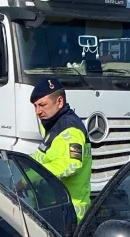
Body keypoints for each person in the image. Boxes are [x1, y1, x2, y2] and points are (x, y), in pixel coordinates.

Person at [29, 77, 92, 220]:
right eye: (35, 106)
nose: (38, 111)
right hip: (55, 210)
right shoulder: (54, 125)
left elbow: (70, 165)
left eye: (42, 105)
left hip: (68, 215)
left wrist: (29, 177)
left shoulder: (70, 129)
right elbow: (46, 157)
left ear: (59, 102)